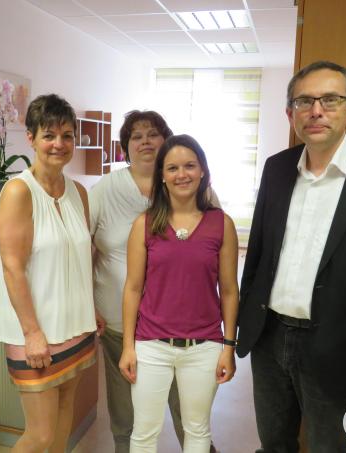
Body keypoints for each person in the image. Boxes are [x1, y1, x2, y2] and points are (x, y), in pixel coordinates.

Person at [236, 60, 346, 452]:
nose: (316, 110)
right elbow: (259, 256)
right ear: (290, 114)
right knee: (274, 444)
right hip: (270, 339)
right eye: (304, 101)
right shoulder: (277, 169)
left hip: (337, 347)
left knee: (327, 447)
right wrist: (243, 326)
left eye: (330, 100)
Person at [91, 110, 217, 453]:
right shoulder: (105, 190)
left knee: (189, 417)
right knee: (127, 421)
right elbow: (82, 246)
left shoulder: (191, 189)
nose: (145, 141)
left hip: (182, 328)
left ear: (166, 142)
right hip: (120, 326)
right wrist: (88, 303)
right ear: (125, 147)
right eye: (136, 136)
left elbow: (214, 252)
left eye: (153, 134)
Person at [0, 93, 103, 453]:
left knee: (63, 416)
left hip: (75, 325)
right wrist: (32, 333)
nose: (59, 144)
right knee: (39, 435)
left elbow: (78, 257)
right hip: (37, 335)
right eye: (49, 135)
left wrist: (92, 308)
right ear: (31, 138)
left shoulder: (79, 193)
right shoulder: (18, 192)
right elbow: (12, 267)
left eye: (67, 135)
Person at [119, 134, 239, 453]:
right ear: (162, 175)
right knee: (144, 432)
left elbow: (229, 290)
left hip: (204, 346)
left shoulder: (221, 224)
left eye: (189, 166)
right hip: (151, 345)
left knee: (197, 429)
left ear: (202, 171)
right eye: (172, 168)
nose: (181, 174)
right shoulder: (145, 224)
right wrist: (128, 347)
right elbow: (132, 289)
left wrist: (228, 346)